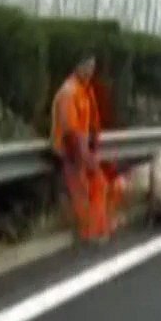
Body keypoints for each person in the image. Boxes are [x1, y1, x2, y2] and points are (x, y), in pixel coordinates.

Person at [50, 55, 112, 243]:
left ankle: (97, 229)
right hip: (71, 151)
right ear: (77, 66)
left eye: (93, 67)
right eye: (87, 66)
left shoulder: (86, 90)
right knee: (84, 190)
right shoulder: (69, 92)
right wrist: (84, 156)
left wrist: (93, 145)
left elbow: (92, 122)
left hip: (82, 149)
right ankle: (89, 232)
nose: (90, 71)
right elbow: (70, 130)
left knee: (97, 185)